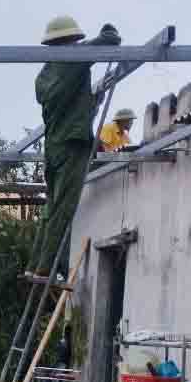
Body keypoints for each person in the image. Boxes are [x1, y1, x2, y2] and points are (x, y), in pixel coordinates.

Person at [35, 15, 121, 277]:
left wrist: (92, 101)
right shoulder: (72, 61)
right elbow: (108, 40)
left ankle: (38, 261)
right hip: (72, 146)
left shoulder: (45, 75)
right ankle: (48, 266)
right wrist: (109, 30)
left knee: (52, 206)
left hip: (53, 149)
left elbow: (68, 107)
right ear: (70, 41)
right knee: (65, 207)